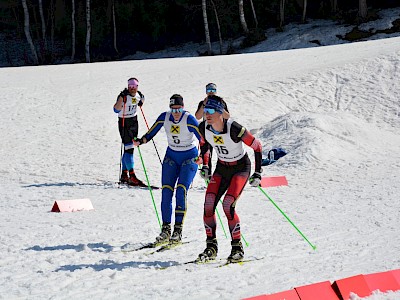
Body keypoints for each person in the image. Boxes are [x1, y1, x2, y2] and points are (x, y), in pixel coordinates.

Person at [197, 95, 263, 263]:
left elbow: (257, 146)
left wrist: (257, 173)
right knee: (208, 204)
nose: (207, 114)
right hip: (222, 168)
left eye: (211, 111)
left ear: (221, 113)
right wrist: (205, 166)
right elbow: (205, 147)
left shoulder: (234, 128)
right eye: (205, 111)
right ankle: (211, 247)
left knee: (228, 205)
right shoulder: (204, 127)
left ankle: (237, 248)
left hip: (240, 168)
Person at [134, 94, 203, 245]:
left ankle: (177, 231)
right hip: (171, 157)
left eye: (179, 109)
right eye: (173, 109)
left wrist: (204, 158)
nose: (176, 112)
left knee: (181, 190)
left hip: (189, 158)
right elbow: (151, 132)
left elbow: (203, 139)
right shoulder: (164, 117)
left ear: (183, 108)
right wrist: (140, 141)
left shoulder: (189, 119)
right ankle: (166, 230)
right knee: (166, 191)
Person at [113, 77, 146, 186]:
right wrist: (121, 100)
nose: (132, 88)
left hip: (134, 122)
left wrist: (141, 102)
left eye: (134, 86)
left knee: (130, 148)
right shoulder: (123, 96)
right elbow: (116, 110)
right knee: (128, 148)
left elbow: (142, 99)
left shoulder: (138, 95)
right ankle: (131, 175)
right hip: (123, 122)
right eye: (130, 86)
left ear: (137, 86)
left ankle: (124, 174)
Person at [195, 83, 230, 172]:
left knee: (222, 153)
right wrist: (203, 105)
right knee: (206, 153)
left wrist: (220, 108)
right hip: (207, 131)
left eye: (213, 90)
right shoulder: (203, 103)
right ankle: (208, 174)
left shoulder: (221, 102)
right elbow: (198, 116)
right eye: (209, 90)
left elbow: (227, 116)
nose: (211, 92)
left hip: (219, 131)